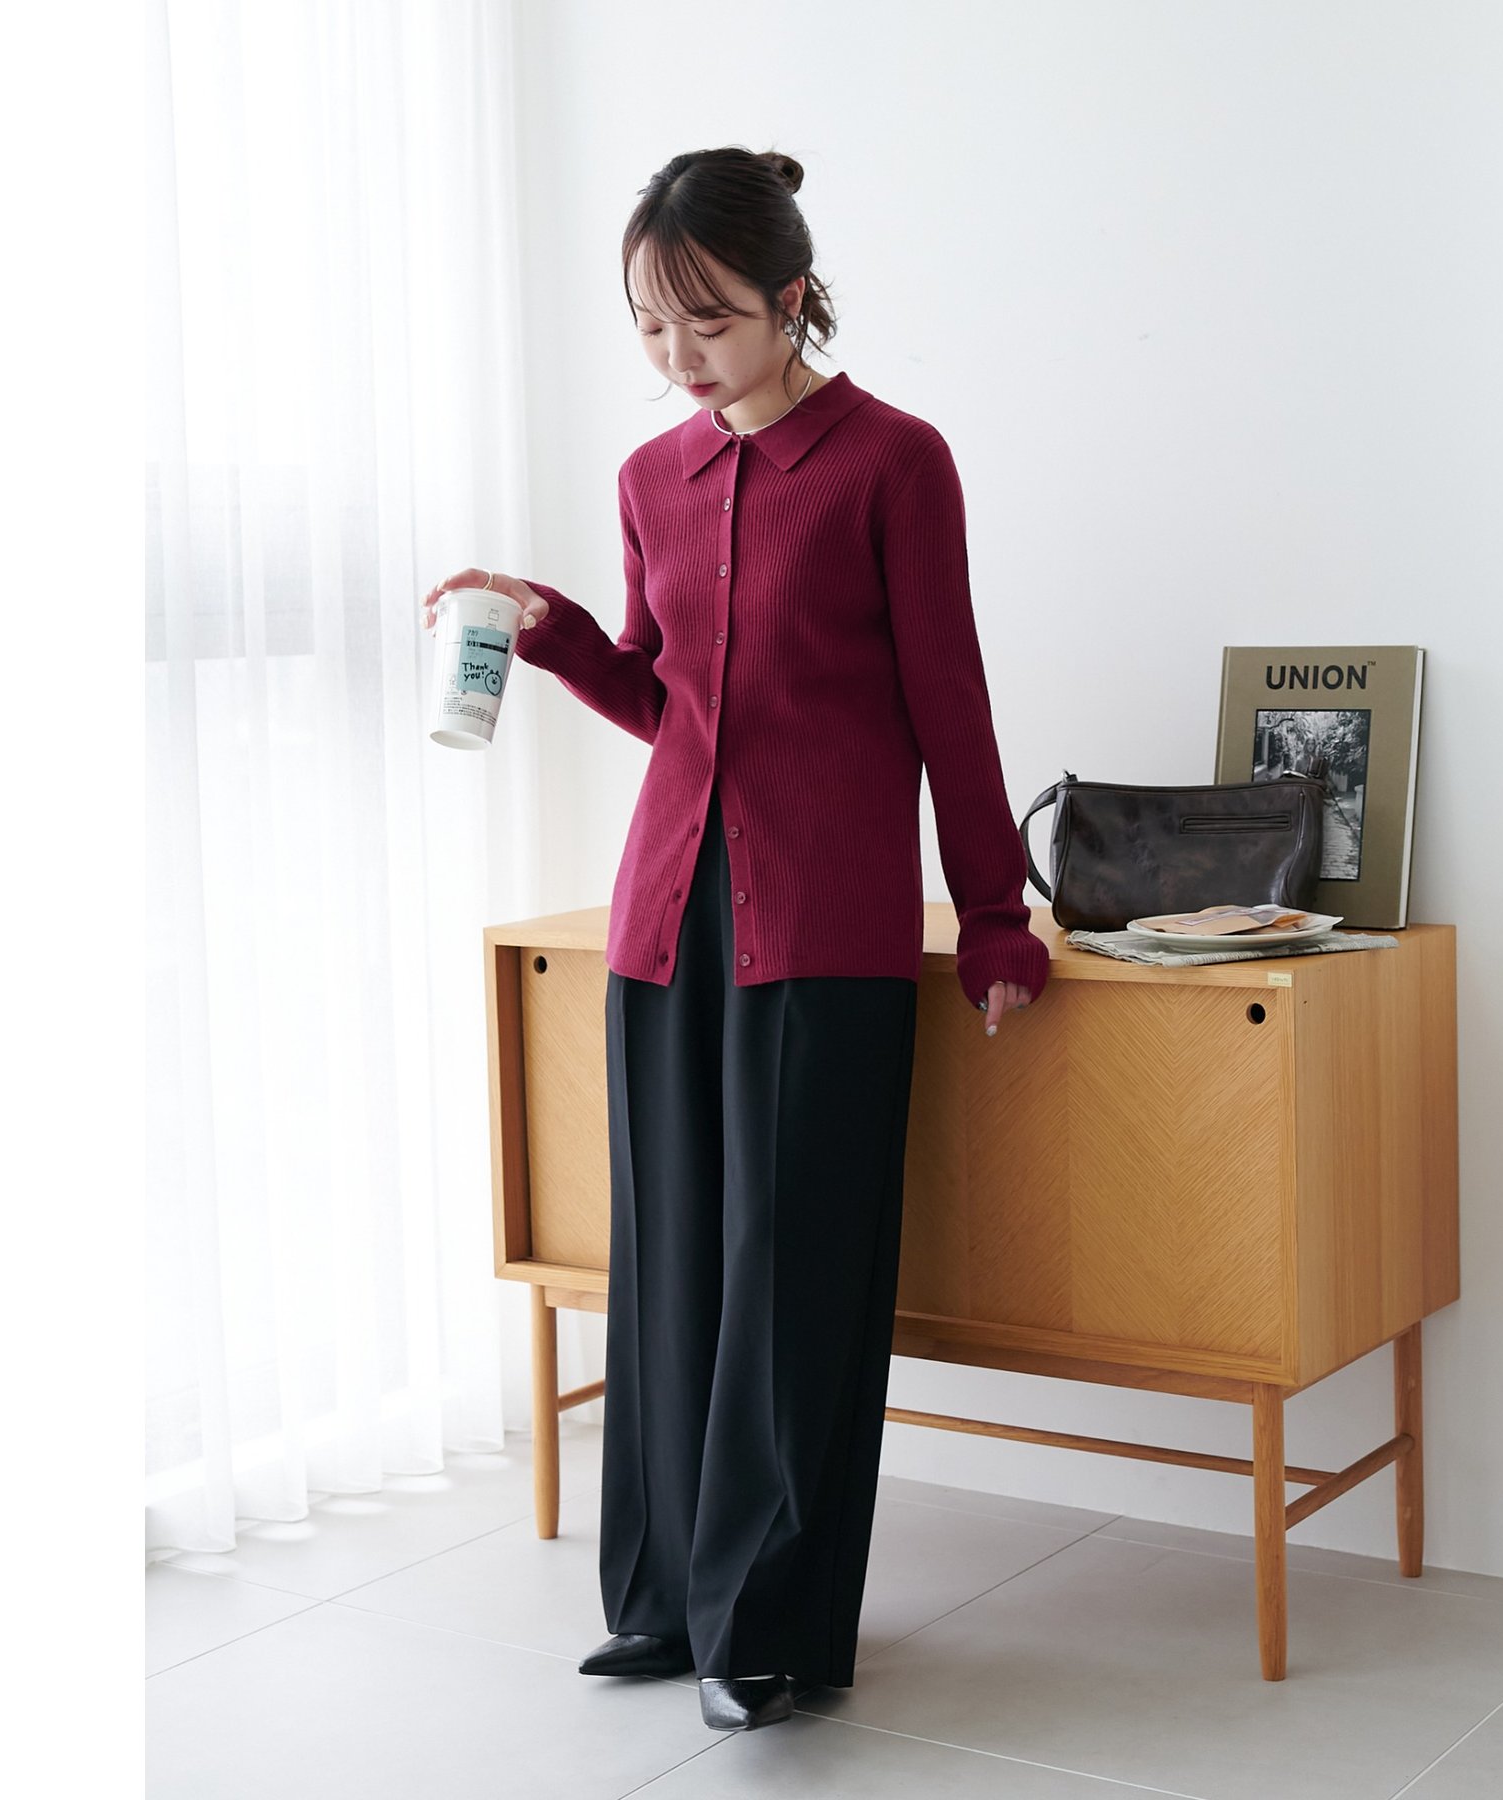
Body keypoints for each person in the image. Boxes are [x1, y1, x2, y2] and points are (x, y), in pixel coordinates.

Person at [421, 145, 1047, 1734]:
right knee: (672, 1269)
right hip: (662, 916)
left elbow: (950, 703)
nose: (679, 354)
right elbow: (667, 701)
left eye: (706, 319)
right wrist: (558, 634)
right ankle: (661, 1600)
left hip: (826, 924)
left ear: (791, 296)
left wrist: (994, 918)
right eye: (650, 324)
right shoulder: (653, 479)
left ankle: (762, 1626)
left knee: (792, 1277)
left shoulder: (895, 462)